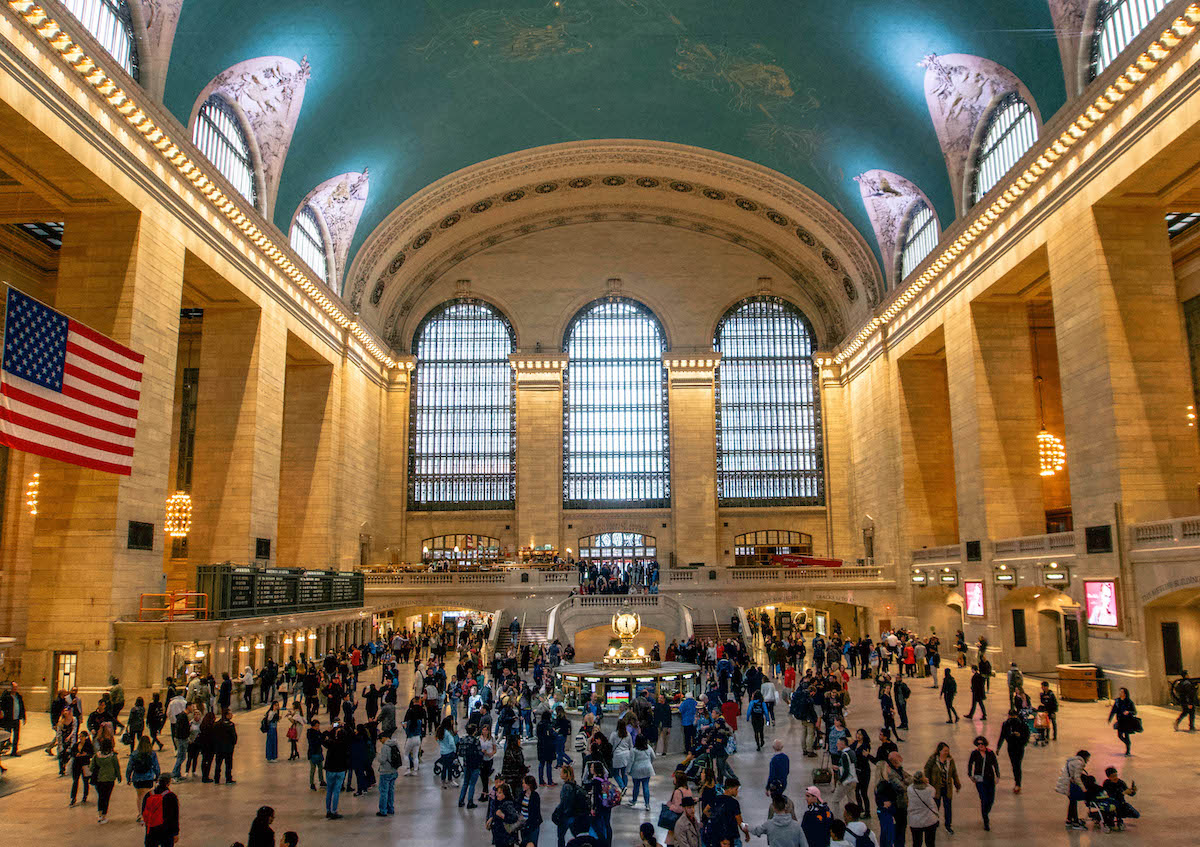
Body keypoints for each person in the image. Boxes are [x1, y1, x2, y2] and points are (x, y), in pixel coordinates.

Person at [922, 742, 959, 836]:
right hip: (936, 788)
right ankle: (935, 822)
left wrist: (957, 784)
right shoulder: (933, 759)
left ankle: (948, 825)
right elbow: (927, 769)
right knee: (935, 807)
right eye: (945, 750)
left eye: (948, 750)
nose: (947, 752)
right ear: (939, 751)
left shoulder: (950, 760)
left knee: (948, 808)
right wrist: (927, 782)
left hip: (947, 788)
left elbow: (954, 772)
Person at [705, 776, 751, 847]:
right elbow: (740, 822)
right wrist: (746, 834)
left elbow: (705, 810)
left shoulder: (716, 799)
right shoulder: (734, 803)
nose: (737, 792)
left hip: (717, 835)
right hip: (732, 835)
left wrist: (713, 817)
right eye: (736, 789)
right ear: (730, 789)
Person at [966, 735, 999, 831]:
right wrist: (970, 775)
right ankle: (986, 820)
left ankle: (986, 812)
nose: (980, 745)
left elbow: (995, 764)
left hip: (990, 779)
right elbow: (970, 763)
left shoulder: (990, 753)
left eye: (982, 744)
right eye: (978, 744)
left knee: (991, 799)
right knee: (984, 799)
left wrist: (997, 775)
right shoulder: (974, 753)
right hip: (979, 780)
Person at [127, 735, 161, 822]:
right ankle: (151, 813)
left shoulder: (134, 753)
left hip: (137, 778)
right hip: (148, 777)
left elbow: (129, 767)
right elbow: (156, 766)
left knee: (140, 796)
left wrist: (128, 777)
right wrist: (157, 776)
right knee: (150, 796)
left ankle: (140, 814)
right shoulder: (152, 753)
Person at [995, 708, 1030, 793]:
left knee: (1017, 765)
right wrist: (998, 747)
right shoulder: (1006, 724)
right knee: (1014, 765)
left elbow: (1026, 736)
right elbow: (1002, 736)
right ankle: (1017, 782)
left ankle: (1018, 784)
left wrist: (1020, 738)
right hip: (1011, 747)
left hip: (1019, 747)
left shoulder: (1022, 724)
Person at [555, 765, 589, 847]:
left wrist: (560, 814)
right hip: (575, 814)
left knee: (561, 836)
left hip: (568, 815)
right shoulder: (574, 784)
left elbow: (565, 802)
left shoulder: (566, 787)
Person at [91, 736, 122, 824]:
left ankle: (100, 814)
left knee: (100, 797)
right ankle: (104, 815)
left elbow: (91, 767)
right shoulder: (112, 756)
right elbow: (117, 767)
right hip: (109, 779)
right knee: (106, 797)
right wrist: (119, 776)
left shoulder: (97, 756)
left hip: (99, 779)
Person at [141, 774, 179, 847]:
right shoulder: (171, 796)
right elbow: (174, 816)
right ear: (168, 783)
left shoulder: (149, 795)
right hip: (166, 830)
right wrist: (175, 832)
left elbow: (144, 811)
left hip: (151, 829)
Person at [322, 723, 351, 819]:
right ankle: (334, 810)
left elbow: (322, 739)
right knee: (336, 791)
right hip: (341, 769)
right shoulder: (345, 744)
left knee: (329, 790)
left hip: (330, 769)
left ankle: (328, 810)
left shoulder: (331, 743)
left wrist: (330, 731)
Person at [1057, 750, 1091, 830]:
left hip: (1065, 783)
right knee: (1073, 801)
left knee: (1072, 802)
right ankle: (1074, 822)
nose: (1088, 760)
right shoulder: (1079, 763)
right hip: (1069, 785)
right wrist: (1083, 789)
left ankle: (1070, 820)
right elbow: (1077, 777)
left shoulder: (1073, 761)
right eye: (1088, 758)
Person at [1100, 765, 1139, 831]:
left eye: (1116, 775)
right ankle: (1111, 822)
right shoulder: (1107, 783)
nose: (1115, 778)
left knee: (1136, 814)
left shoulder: (1120, 782)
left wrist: (1133, 791)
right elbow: (1112, 795)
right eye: (1113, 776)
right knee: (1112, 809)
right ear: (1108, 777)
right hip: (1111, 803)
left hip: (1121, 803)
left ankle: (1119, 819)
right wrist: (1123, 793)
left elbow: (1129, 793)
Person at [906, 771, 938, 847]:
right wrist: (927, 783)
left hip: (915, 821)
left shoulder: (910, 789)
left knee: (917, 843)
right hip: (929, 820)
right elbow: (934, 792)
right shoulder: (929, 790)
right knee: (930, 843)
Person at [831, 736, 858, 817]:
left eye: (838, 743)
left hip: (846, 781)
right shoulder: (852, 752)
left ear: (843, 744)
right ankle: (854, 816)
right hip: (853, 780)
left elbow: (846, 771)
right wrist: (839, 768)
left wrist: (840, 781)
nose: (837, 745)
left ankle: (837, 817)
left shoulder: (844, 755)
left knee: (835, 800)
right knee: (852, 801)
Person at [629, 733, 656, 812]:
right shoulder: (648, 748)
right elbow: (653, 757)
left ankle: (634, 801)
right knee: (645, 786)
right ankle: (647, 804)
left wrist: (628, 770)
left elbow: (631, 761)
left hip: (636, 770)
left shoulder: (634, 750)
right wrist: (649, 763)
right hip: (647, 769)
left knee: (636, 786)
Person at [1108, 688, 1138, 755]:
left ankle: (1128, 750)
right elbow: (1113, 710)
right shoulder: (1117, 701)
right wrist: (1110, 718)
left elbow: (1135, 712)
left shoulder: (1129, 702)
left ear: (1125, 693)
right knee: (1120, 735)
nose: (1120, 693)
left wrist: (1128, 712)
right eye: (1120, 692)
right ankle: (1127, 743)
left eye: (1122, 692)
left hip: (1127, 721)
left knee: (1127, 735)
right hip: (1120, 720)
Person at [69, 730, 95, 806]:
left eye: (82, 736)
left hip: (84, 764)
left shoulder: (88, 745)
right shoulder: (76, 745)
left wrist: (85, 754)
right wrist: (75, 754)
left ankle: (85, 795)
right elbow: (72, 753)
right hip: (76, 764)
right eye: (79, 736)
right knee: (75, 781)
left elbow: (91, 754)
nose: (80, 738)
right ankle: (73, 797)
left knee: (85, 781)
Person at [0, 682, 26, 757]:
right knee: (6, 735)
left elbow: (22, 706)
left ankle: (14, 751)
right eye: (14, 687)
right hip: (9, 719)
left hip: (16, 719)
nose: (15, 689)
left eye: (16, 687)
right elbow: (2, 706)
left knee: (16, 736)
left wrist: (23, 717)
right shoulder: (6, 696)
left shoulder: (18, 696)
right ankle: (1, 748)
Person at [521, 774, 544, 847]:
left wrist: (528, 823)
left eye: (524, 783)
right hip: (523, 825)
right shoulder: (522, 794)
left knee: (531, 844)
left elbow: (534, 813)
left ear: (529, 785)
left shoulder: (535, 796)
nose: (523, 785)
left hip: (532, 825)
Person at [537, 709, 558, 786]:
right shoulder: (549, 725)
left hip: (540, 745)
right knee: (549, 763)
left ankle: (541, 781)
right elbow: (552, 735)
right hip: (548, 745)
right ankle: (549, 780)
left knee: (541, 763)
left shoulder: (539, 724)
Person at [306, 718, 325, 790]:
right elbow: (314, 742)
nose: (318, 727)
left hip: (318, 752)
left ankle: (321, 780)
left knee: (320, 767)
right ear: (312, 726)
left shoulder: (318, 732)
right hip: (313, 753)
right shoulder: (310, 733)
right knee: (313, 768)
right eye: (316, 726)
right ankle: (312, 782)